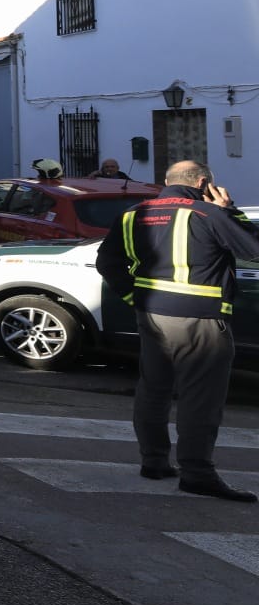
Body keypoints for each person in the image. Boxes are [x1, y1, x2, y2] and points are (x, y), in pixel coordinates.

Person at [97, 160, 259, 501]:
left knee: (154, 389)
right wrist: (231, 212)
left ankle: (153, 462)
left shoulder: (133, 214)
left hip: (152, 315)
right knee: (200, 398)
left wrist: (132, 297)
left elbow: (107, 262)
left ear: (167, 182)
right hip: (200, 320)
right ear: (203, 182)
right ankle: (197, 473)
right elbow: (253, 250)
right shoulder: (207, 213)